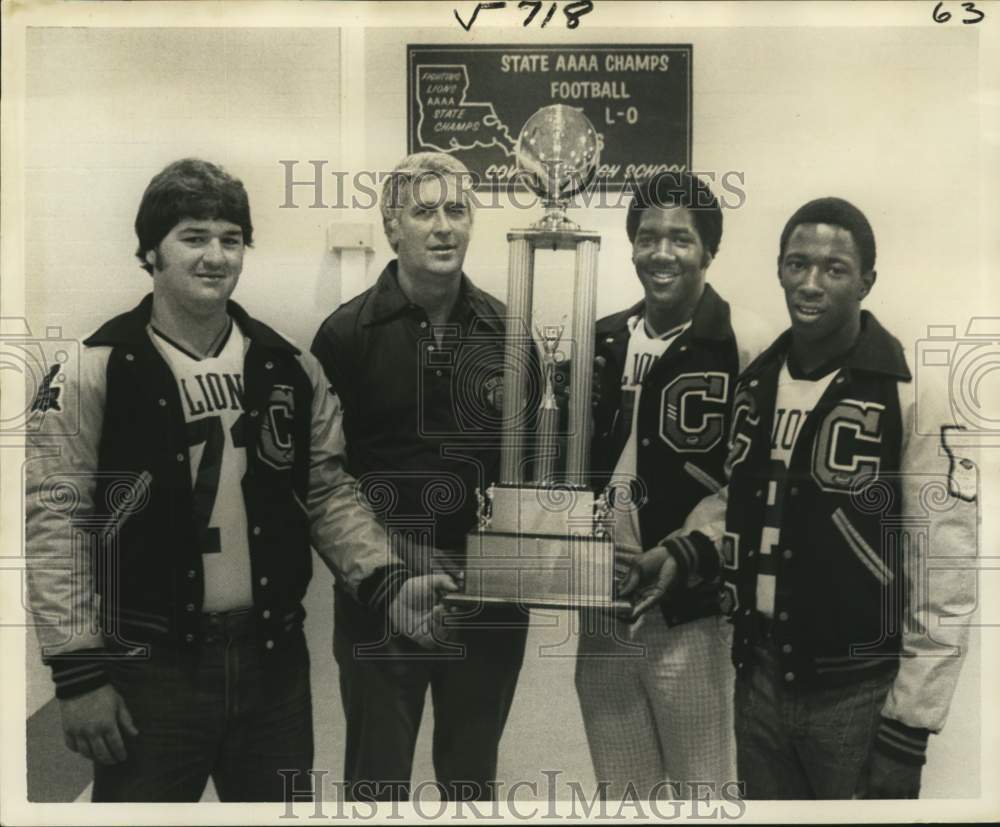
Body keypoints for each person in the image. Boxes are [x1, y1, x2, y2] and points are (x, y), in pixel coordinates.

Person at [24, 158, 451, 802]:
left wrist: (386, 582)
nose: (215, 256)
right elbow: (58, 522)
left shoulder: (288, 366)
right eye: (193, 237)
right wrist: (78, 675)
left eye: (230, 238)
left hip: (271, 662)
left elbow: (327, 492)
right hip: (150, 666)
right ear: (150, 251)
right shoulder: (95, 369)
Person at [624, 197, 978, 799]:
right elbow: (740, 500)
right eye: (797, 264)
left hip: (857, 696)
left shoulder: (909, 390)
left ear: (867, 279)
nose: (811, 284)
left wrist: (909, 727)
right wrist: (682, 553)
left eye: (834, 269)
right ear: (779, 268)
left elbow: (945, 572)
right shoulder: (758, 379)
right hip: (757, 680)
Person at [310, 152, 531, 802]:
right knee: (375, 786)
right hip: (382, 600)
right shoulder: (344, 336)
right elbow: (325, 482)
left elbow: (529, 474)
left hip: (484, 601)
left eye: (456, 209)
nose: (443, 227)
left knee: (471, 781)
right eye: (424, 210)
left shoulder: (510, 335)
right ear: (392, 226)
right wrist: (394, 568)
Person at [572, 171, 771, 801]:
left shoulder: (748, 345)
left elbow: (752, 482)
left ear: (709, 251)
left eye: (681, 239)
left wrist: (686, 549)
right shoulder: (598, 338)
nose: (662, 252)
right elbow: (569, 470)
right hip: (603, 604)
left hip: (691, 611)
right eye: (648, 236)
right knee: (622, 795)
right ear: (630, 245)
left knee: (701, 794)